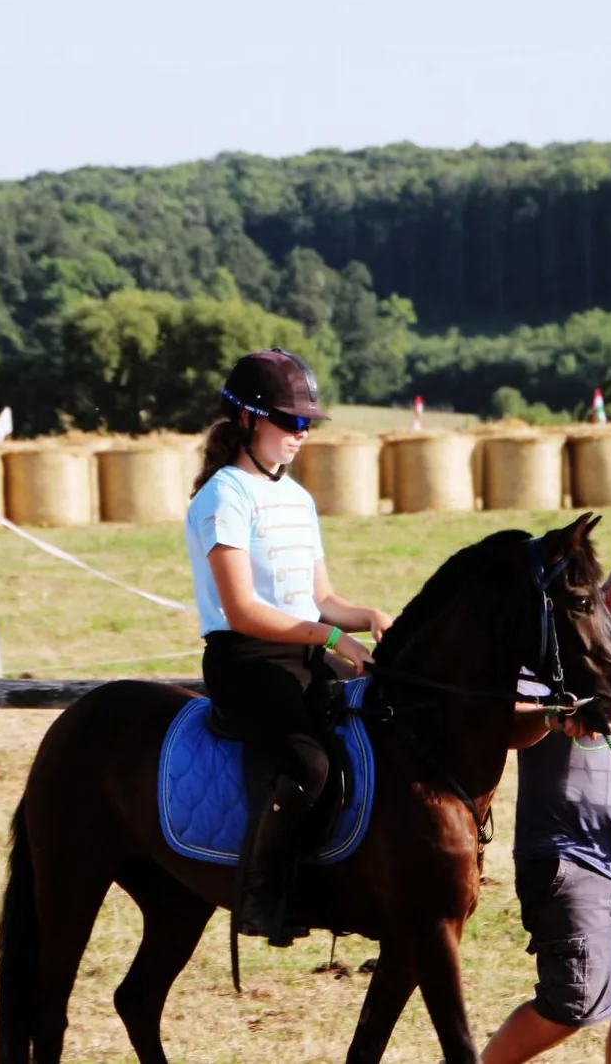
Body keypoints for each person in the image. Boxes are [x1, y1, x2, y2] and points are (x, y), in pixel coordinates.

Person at [185, 348, 392, 945]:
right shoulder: (224, 498)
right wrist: (333, 639)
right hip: (244, 659)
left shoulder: (297, 498)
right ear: (249, 420)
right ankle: (258, 894)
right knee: (309, 762)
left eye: (307, 424)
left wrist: (369, 618)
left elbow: (321, 598)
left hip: (303, 648)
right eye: (291, 421)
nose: (302, 434)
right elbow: (244, 611)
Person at [484, 549, 611, 1064]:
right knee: (574, 1002)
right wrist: (555, 717)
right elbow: (504, 726)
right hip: (570, 857)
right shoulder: (555, 653)